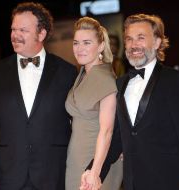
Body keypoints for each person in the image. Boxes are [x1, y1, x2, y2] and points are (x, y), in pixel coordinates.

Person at [83, 13, 179, 190]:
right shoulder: (120, 84)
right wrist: (93, 172)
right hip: (132, 182)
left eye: (141, 38)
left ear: (157, 42)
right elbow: (117, 138)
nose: (134, 44)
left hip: (167, 181)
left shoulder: (174, 80)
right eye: (129, 39)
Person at [0, 2, 77, 190]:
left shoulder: (67, 72)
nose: (15, 35)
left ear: (41, 33)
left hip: (53, 175)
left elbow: (80, 123)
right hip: (8, 175)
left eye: (23, 30)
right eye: (13, 29)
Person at [65, 17, 118, 190]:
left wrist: (95, 172)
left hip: (94, 162)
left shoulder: (105, 79)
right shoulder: (82, 74)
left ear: (101, 46)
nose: (79, 49)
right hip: (76, 158)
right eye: (76, 43)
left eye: (86, 43)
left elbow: (107, 130)